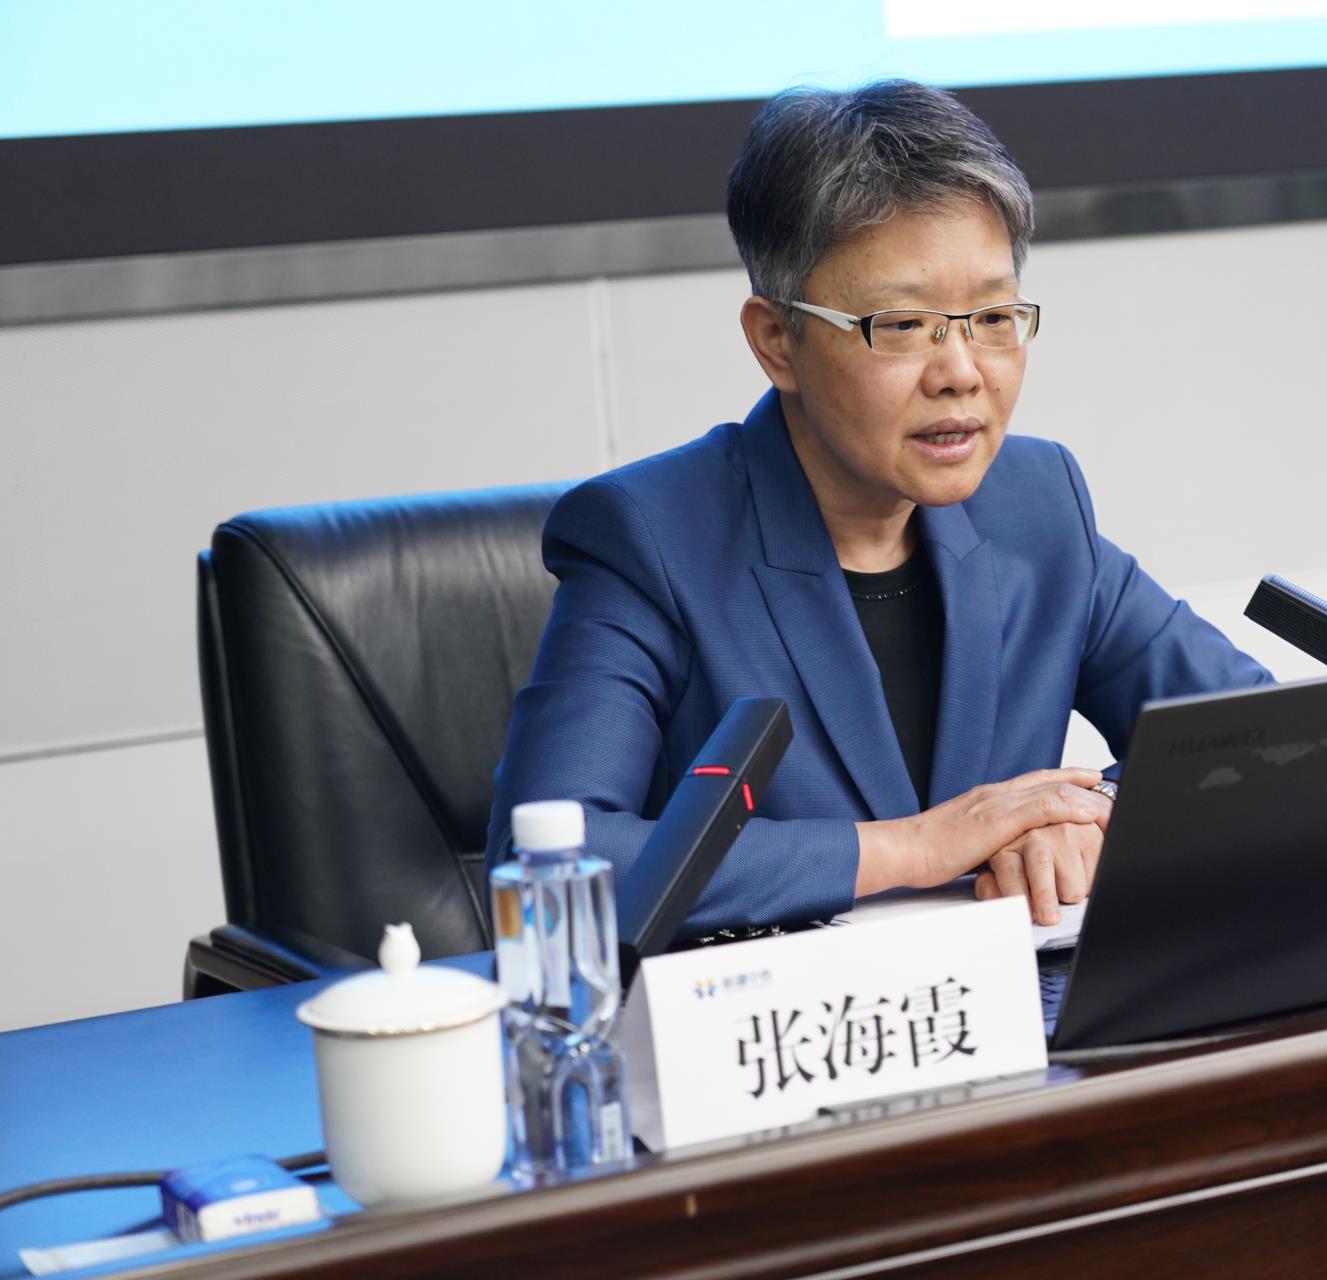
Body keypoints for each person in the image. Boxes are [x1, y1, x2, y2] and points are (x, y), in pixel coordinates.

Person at [485, 80, 1271, 936]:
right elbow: (546, 870)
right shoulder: (650, 537)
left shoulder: (1038, 504)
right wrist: (909, 849)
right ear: (776, 341)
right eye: (900, 325)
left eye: (993, 316)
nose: (961, 371)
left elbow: (1257, 738)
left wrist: (1093, 816)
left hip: (1022, 1005)